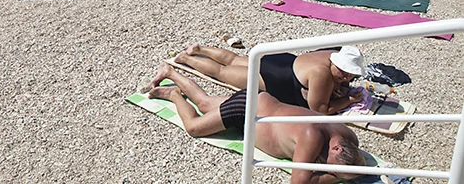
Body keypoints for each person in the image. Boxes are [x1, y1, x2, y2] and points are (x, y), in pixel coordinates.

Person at [146, 65, 365, 184]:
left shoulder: (349, 138)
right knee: (195, 126)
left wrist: (347, 172)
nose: (328, 170)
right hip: (248, 110)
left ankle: (170, 72)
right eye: (332, 168)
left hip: (263, 102)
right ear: (336, 148)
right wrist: (332, 177)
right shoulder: (312, 137)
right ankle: (174, 94)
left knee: (205, 104)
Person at [172, 45, 365, 115]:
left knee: (234, 60)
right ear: (336, 64)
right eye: (344, 73)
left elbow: (331, 77)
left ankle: (201, 49)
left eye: (350, 76)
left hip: (282, 61)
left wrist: (338, 82)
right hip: (275, 79)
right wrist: (349, 100)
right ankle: (185, 58)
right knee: (222, 72)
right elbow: (320, 109)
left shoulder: (333, 52)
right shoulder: (322, 74)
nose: (346, 78)